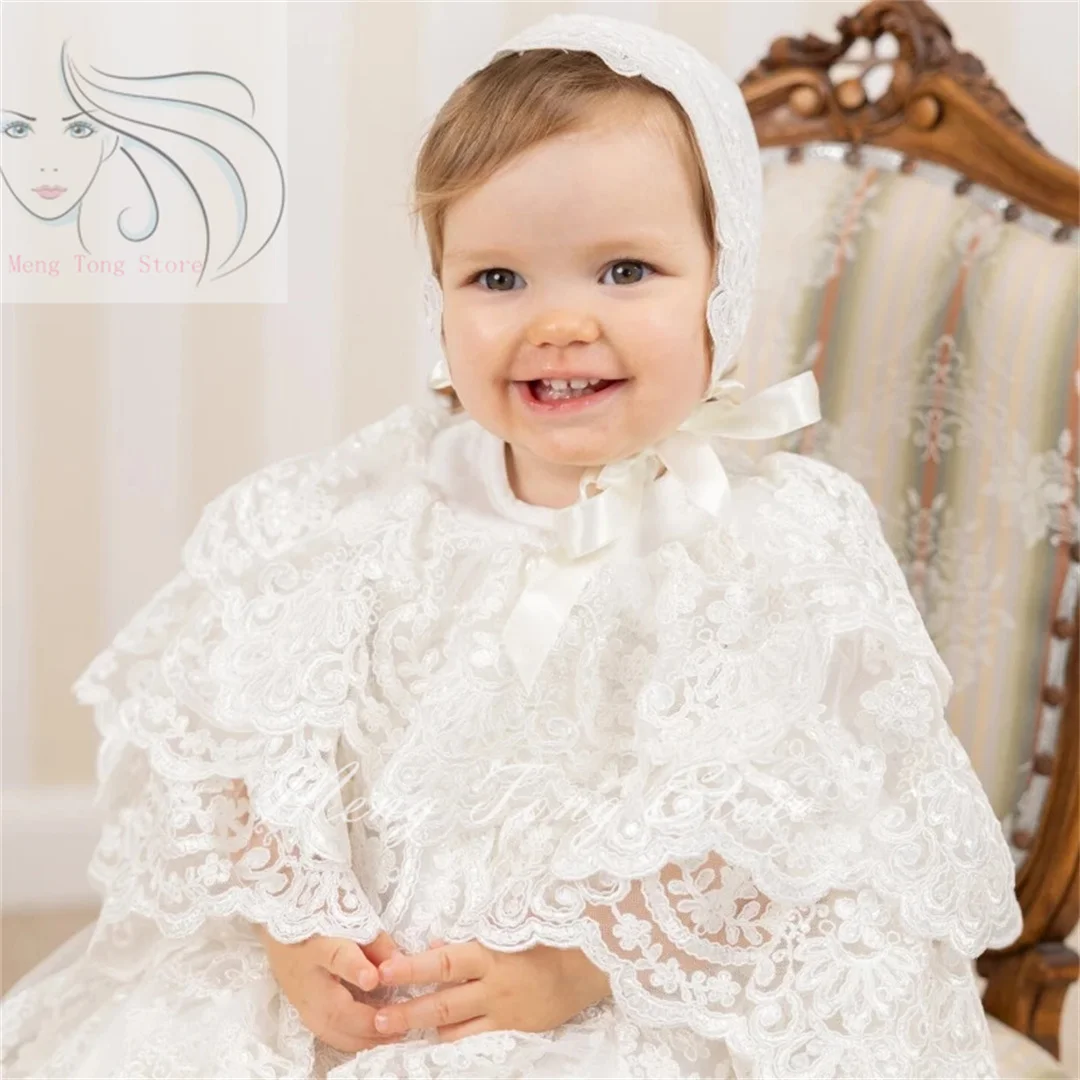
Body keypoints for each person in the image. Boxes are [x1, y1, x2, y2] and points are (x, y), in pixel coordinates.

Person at [1, 13, 1022, 1079]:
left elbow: (806, 820)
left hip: (615, 997)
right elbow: (238, 735)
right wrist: (296, 928)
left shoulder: (768, 537)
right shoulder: (368, 503)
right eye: (498, 280)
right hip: (370, 978)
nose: (559, 323)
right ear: (438, 298)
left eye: (624, 271)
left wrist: (582, 964)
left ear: (724, 280)